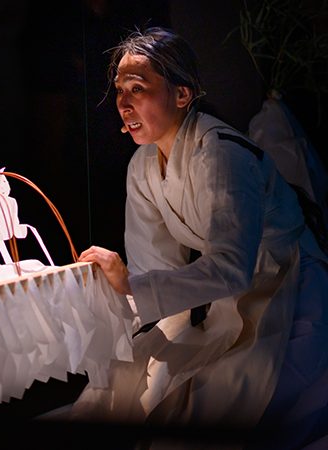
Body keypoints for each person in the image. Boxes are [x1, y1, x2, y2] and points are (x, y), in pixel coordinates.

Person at [73, 27, 328, 445]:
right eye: (119, 90)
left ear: (181, 95)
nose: (123, 103)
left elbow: (230, 267)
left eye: (138, 88)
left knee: (226, 400)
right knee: (128, 382)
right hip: (226, 295)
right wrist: (123, 306)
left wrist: (133, 287)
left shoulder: (222, 153)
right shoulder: (141, 166)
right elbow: (154, 271)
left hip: (288, 287)